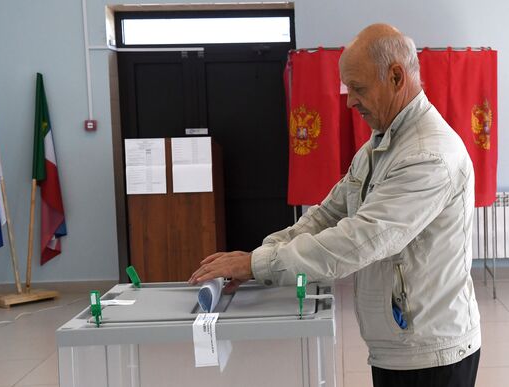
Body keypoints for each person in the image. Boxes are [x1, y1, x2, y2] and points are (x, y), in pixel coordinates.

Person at [189, 23, 481, 387]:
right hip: (401, 344)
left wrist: (256, 264)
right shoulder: (381, 145)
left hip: (430, 353)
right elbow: (328, 214)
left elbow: (359, 240)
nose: (350, 101)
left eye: (358, 88)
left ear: (395, 77)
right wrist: (262, 255)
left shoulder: (427, 155)